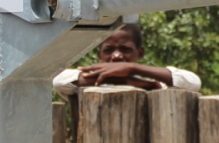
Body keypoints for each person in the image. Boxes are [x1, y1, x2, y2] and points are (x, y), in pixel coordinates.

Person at [50, 23, 200, 95]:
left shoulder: (157, 85)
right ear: (99, 55)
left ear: (140, 53)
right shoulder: (150, 85)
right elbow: (58, 81)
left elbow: (193, 82)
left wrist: (132, 69)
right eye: (108, 50)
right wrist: (127, 81)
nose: (117, 56)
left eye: (125, 49)